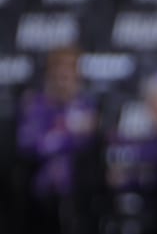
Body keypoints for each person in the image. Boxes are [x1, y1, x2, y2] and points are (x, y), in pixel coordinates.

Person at [15, 47, 97, 203]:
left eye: (69, 70)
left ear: (77, 75)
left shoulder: (87, 105)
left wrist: (59, 133)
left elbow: (89, 143)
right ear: (49, 74)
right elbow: (30, 144)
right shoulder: (34, 105)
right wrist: (69, 131)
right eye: (58, 69)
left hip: (81, 194)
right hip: (38, 194)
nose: (63, 76)